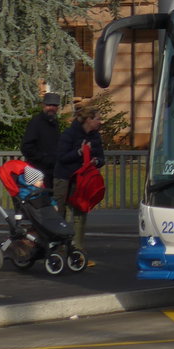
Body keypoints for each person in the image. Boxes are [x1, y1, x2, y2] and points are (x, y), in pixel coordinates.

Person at [52, 106, 104, 261]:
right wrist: (79, 152)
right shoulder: (70, 134)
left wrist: (96, 161)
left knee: (80, 212)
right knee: (60, 212)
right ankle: (59, 247)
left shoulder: (95, 137)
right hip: (64, 177)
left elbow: (102, 157)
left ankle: (78, 249)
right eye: (97, 119)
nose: (100, 122)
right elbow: (61, 157)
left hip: (82, 179)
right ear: (88, 119)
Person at [20, 93, 61, 185]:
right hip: (38, 171)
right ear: (43, 105)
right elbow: (26, 147)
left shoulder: (54, 123)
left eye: (54, 105)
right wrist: (44, 159)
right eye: (49, 105)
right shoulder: (36, 122)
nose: (51, 108)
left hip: (52, 172)